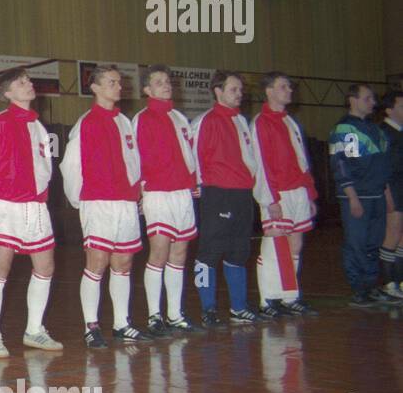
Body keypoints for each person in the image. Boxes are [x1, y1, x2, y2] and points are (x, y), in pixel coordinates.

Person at [0, 68, 62, 358]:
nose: (29, 85)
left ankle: (34, 329)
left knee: (45, 267)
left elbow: (46, 167)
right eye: (22, 82)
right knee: (0, 270)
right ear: (8, 93)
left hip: (35, 206)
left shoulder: (38, 127)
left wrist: (39, 196)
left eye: (29, 81)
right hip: (5, 205)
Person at [60, 65, 151, 346]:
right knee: (97, 262)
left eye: (119, 82)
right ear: (96, 88)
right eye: (111, 82)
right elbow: (71, 166)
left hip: (124, 202)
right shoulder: (86, 123)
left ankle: (122, 323)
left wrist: (138, 193)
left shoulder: (125, 122)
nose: (118, 87)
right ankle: (91, 326)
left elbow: (134, 161)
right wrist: (80, 199)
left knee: (123, 262)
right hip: (98, 202)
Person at [131, 65, 202, 335]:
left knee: (180, 254)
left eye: (167, 81)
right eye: (158, 82)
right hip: (157, 194)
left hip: (182, 194)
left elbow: (189, 155)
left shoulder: (180, 118)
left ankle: (174, 314)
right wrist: (139, 192)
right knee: (158, 253)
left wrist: (194, 181)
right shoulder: (142, 118)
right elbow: (135, 159)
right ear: (147, 90)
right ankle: (153, 316)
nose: (166, 85)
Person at [191, 71, 265, 326]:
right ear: (218, 91)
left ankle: (238, 308)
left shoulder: (242, 121)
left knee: (239, 251)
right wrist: (198, 186)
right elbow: (194, 155)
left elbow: (251, 160)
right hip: (217, 194)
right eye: (234, 89)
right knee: (209, 253)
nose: (239, 94)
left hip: (242, 195)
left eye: (240, 90)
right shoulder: (207, 121)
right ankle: (208, 309)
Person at [251, 72, 318, 317]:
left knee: (295, 245)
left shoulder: (291, 122)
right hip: (276, 193)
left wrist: (309, 194)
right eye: (283, 87)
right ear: (269, 91)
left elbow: (302, 160)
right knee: (273, 243)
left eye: (289, 86)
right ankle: (267, 300)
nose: (289, 90)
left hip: (298, 191)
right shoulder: (260, 122)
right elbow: (260, 163)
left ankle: (289, 297)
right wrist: (270, 200)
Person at [329, 84, 397, 307]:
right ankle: (359, 289)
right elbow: (343, 165)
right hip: (358, 196)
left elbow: (383, 166)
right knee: (356, 243)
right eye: (367, 99)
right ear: (353, 100)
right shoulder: (346, 130)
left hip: (377, 194)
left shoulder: (376, 130)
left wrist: (386, 193)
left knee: (373, 243)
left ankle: (370, 285)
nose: (373, 103)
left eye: (373, 99)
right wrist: (352, 196)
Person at [376, 91, 403, 299]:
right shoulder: (383, 132)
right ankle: (388, 283)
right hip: (392, 189)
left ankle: (400, 281)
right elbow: (381, 167)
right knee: (392, 235)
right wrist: (387, 194)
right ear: (389, 110)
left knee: (401, 238)